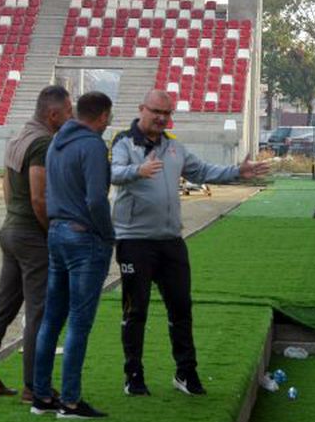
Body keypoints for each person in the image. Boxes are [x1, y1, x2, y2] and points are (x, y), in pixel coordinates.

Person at [109, 89, 269, 397]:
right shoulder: (124, 143)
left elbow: (203, 171)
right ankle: (133, 374)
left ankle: (185, 372)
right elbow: (113, 173)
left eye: (166, 113)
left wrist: (238, 171)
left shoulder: (174, 147)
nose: (161, 118)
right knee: (135, 311)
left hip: (171, 241)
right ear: (142, 109)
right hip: (135, 241)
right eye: (156, 111)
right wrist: (137, 170)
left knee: (181, 307)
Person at [0, 85, 73, 401]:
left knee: (2, 308)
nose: (71, 117)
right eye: (68, 111)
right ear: (53, 114)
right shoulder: (42, 143)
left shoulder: (18, 138)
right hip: (31, 236)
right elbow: (38, 197)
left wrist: (15, 218)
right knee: (38, 312)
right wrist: (50, 232)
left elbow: (6, 187)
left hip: (11, 229)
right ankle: (34, 385)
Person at [30, 90, 115, 420]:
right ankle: (70, 401)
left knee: (52, 317)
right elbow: (96, 199)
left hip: (56, 232)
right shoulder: (92, 146)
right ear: (103, 116)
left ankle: (41, 395)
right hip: (83, 236)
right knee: (79, 321)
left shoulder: (56, 143)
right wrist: (107, 234)